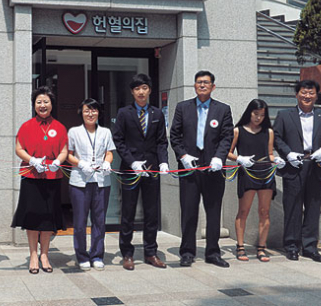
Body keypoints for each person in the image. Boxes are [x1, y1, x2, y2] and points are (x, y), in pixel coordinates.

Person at [170, 70, 234, 268]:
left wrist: (219, 158)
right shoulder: (183, 108)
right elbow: (174, 135)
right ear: (194, 86)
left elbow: (227, 136)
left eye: (206, 83)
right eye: (199, 82)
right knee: (189, 212)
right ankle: (187, 252)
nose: (202, 85)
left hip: (213, 170)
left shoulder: (223, 109)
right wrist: (183, 155)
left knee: (213, 212)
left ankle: (213, 253)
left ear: (213, 86)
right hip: (189, 170)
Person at [273, 80, 321, 262]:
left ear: (316, 95)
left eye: (311, 93)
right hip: (294, 165)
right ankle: (292, 246)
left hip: (316, 165)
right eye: (303, 93)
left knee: (313, 207)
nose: (307, 96)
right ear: (297, 94)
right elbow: (276, 137)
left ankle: (310, 247)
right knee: (292, 206)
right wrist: (287, 153)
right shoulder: (284, 115)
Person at [112, 73, 168, 270]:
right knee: (127, 212)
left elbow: (162, 141)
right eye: (137, 89)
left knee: (151, 213)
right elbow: (118, 140)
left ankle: (151, 252)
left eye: (144, 88)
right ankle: (127, 253)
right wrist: (132, 162)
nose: (141, 92)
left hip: (152, 170)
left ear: (149, 90)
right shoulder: (124, 113)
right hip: (130, 170)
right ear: (132, 92)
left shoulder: (157, 114)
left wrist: (163, 162)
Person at [12, 86, 68, 274]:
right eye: (39, 102)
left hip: (52, 176)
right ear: (34, 105)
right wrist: (32, 160)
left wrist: (58, 161)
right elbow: (19, 148)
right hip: (32, 176)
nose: (42, 105)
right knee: (32, 215)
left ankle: (45, 254)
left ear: (51, 104)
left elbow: (64, 150)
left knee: (47, 216)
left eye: (46, 102)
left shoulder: (59, 127)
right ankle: (33, 254)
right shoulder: (26, 126)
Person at [227, 99, 285, 262]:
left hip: (266, 174)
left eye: (262, 115)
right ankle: (240, 246)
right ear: (249, 112)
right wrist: (240, 158)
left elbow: (270, 153)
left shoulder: (269, 132)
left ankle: (261, 247)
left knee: (264, 211)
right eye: (255, 114)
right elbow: (228, 152)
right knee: (243, 211)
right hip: (247, 173)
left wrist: (276, 160)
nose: (258, 118)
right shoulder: (238, 130)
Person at [66, 99, 115, 271]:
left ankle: (97, 255)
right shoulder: (74, 132)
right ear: (82, 112)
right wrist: (81, 164)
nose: (90, 114)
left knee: (99, 221)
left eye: (94, 110)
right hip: (80, 181)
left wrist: (108, 162)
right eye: (87, 110)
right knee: (80, 221)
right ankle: (81, 255)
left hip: (101, 182)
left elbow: (109, 152)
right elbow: (68, 155)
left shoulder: (105, 132)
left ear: (99, 113)